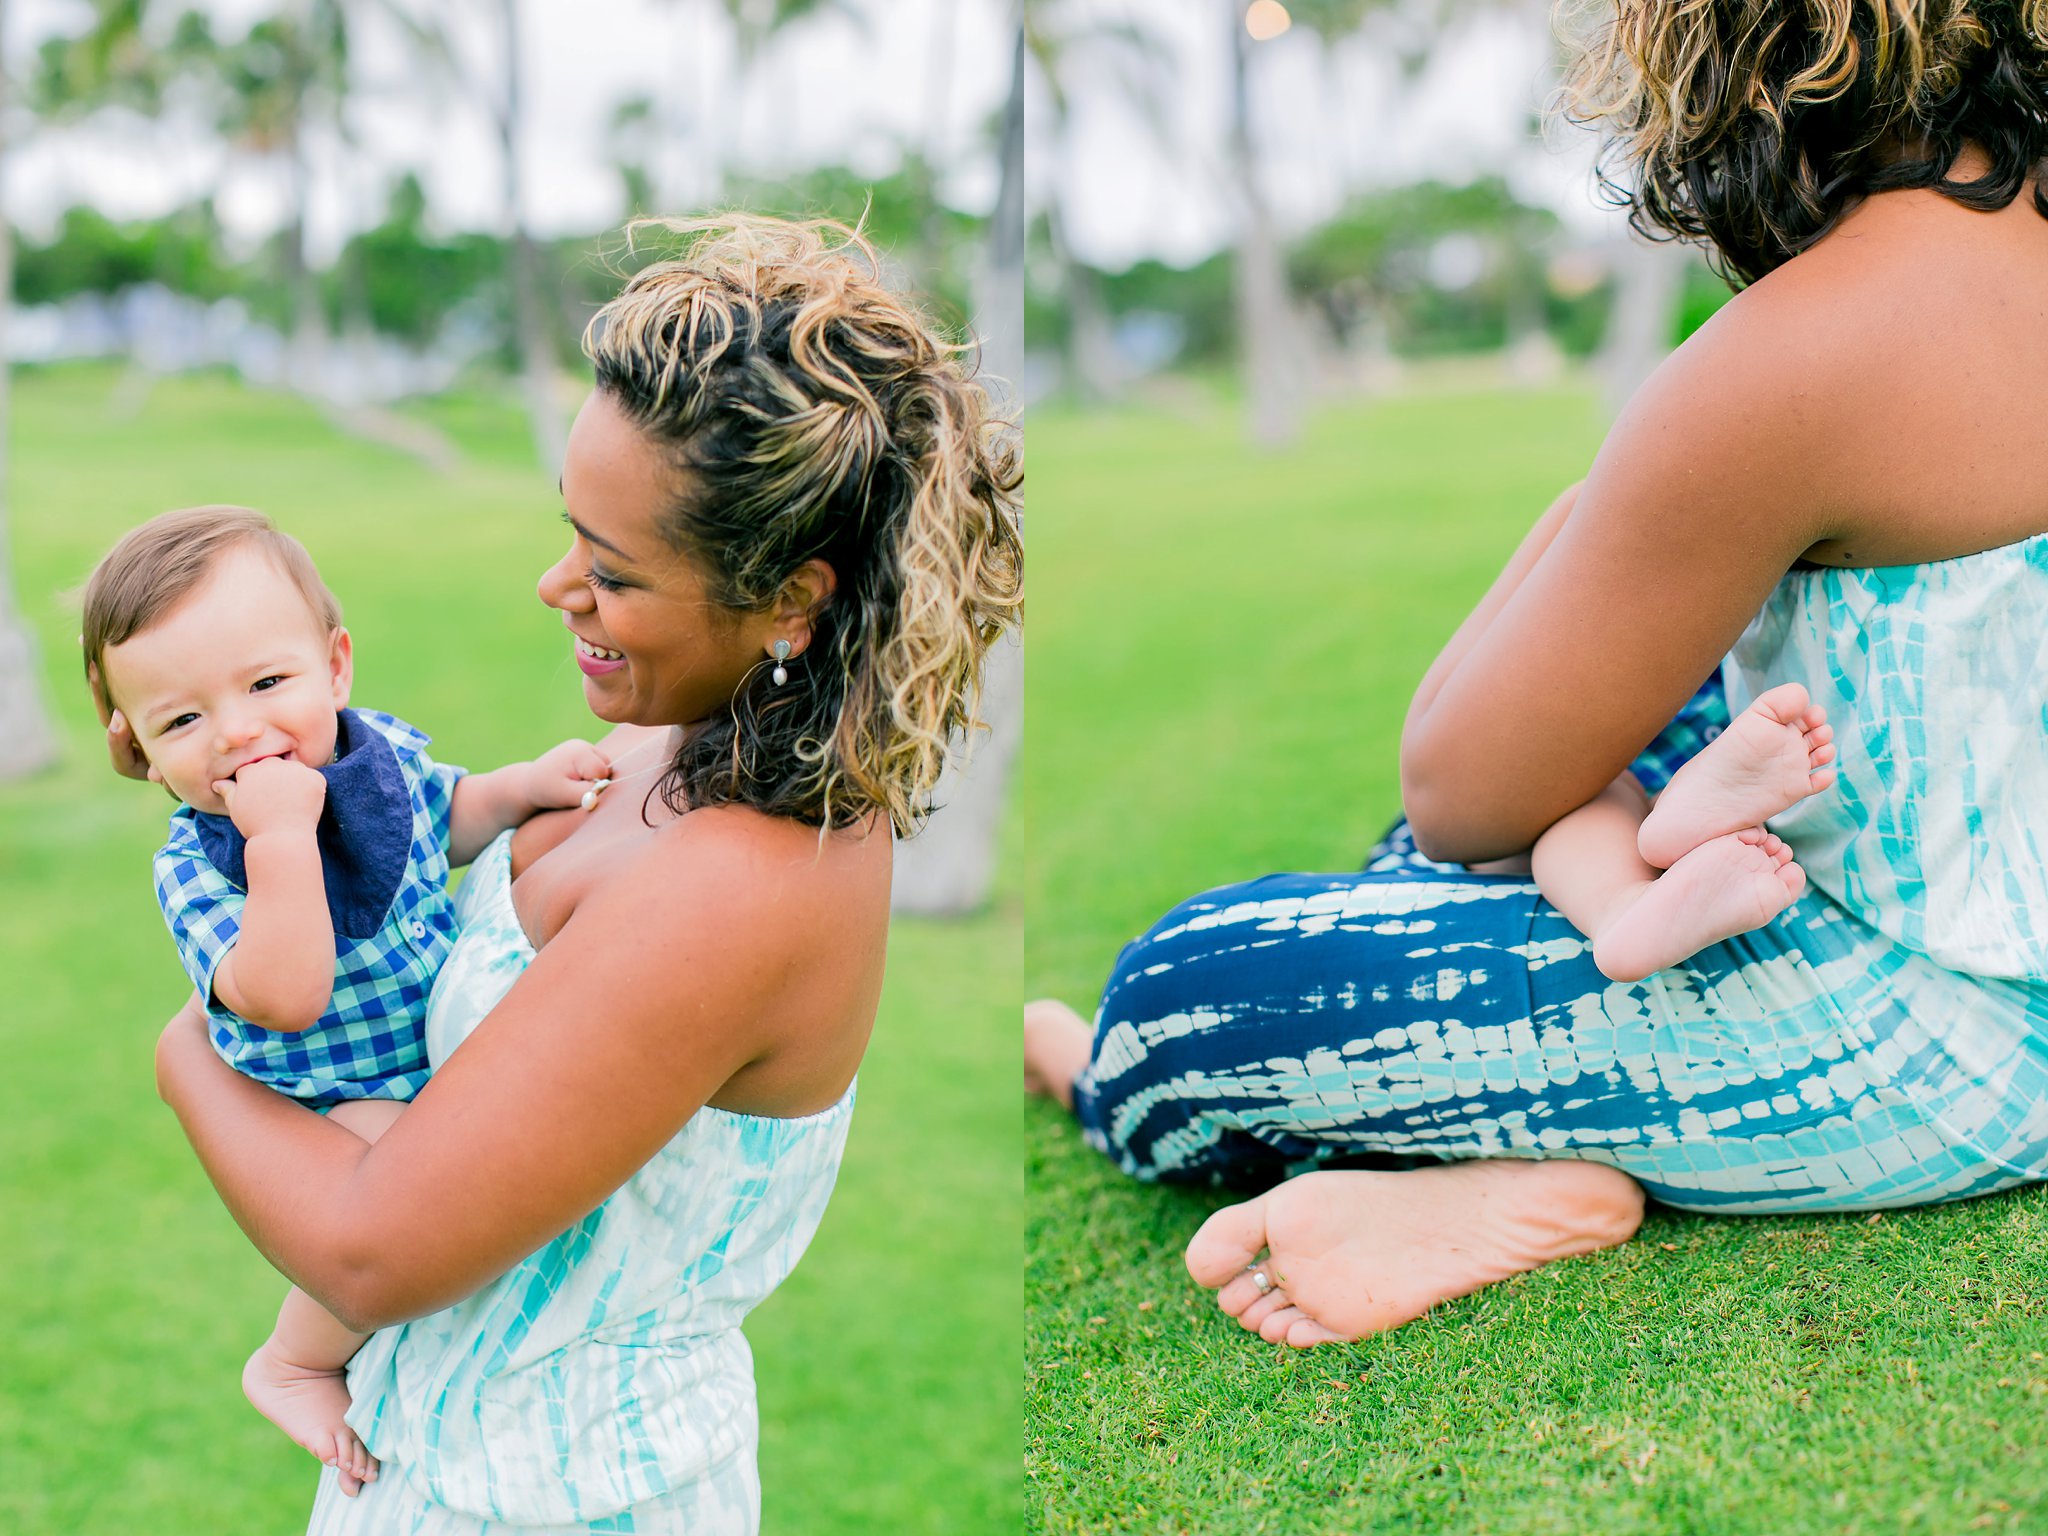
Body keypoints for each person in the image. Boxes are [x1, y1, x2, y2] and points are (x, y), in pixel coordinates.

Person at [1027, 0, 2048, 1348]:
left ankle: (1130, 1087)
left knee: (1181, 996)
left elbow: (1458, 788)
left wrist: (1587, 507)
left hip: (1945, 1049)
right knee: (1646, 739)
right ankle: (1512, 1129)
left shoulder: (1799, 349)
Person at [140, 215, 1022, 1531]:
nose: (557, 586)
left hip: (563, 1495)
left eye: (612, 573)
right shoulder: (674, 734)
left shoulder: (747, 879)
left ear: (789, 599)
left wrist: (186, 1049)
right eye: (572, 534)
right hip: (424, 1457)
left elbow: (372, 1246)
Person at [83, 504, 610, 1491]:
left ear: (335, 666)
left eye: (266, 683)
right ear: (142, 752)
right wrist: (279, 841)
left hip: (425, 1048)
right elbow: (281, 993)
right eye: (184, 720)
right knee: (398, 1183)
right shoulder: (201, 871)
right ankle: (295, 1359)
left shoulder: (380, 758)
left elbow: (447, 813)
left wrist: (524, 785)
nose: (239, 732)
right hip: (327, 1089)